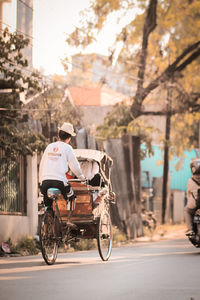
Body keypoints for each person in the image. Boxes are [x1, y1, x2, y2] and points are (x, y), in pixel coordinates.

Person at [39, 122, 86, 208]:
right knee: (71, 197)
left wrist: (41, 181)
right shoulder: (68, 148)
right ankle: (68, 218)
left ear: (58, 135)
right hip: (59, 182)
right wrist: (82, 178)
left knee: (47, 204)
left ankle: (48, 216)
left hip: (45, 183)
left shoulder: (49, 146)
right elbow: (74, 166)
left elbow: (42, 165)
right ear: (69, 138)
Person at [185, 158, 200, 236]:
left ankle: (190, 229)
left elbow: (188, 193)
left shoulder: (190, 180)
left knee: (187, 211)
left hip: (194, 204)